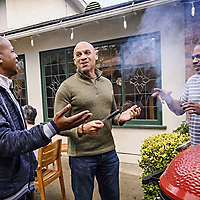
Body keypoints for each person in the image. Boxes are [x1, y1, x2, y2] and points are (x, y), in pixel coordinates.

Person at [0, 36, 92, 200]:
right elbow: (5, 142)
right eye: (12, 51)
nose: (16, 56)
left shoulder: (6, 88)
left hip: (23, 187)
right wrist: (52, 127)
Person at [54, 41, 141, 200]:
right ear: (74, 61)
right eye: (78, 55)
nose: (83, 57)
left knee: (112, 197)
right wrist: (81, 129)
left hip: (109, 154)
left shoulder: (107, 83)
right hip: (81, 158)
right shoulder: (66, 87)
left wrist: (121, 118)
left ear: (96, 56)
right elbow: (57, 126)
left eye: (87, 53)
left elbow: (112, 114)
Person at [152, 42, 200, 146]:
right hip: (195, 150)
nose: (195, 61)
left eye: (198, 56)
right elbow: (179, 109)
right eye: (193, 57)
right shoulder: (192, 81)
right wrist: (168, 98)